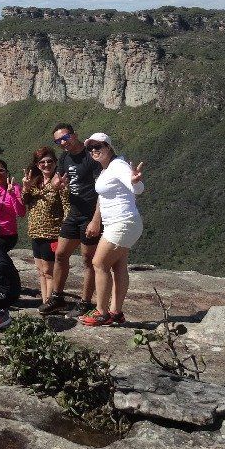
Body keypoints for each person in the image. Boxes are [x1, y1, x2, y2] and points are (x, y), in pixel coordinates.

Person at [78, 134, 145, 327]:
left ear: (108, 147)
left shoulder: (118, 166)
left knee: (99, 263)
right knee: (118, 266)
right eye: (90, 148)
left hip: (122, 223)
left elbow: (137, 187)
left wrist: (136, 181)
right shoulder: (106, 169)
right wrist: (96, 220)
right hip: (120, 223)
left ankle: (101, 312)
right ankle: (116, 312)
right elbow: (103, 197)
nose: (94, 150)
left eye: (98, 146)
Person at [42, 123, 102, 315]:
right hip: (74, 213)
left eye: (66, 137)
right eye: (58, 141)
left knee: (88, 260)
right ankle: (57, 298)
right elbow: (56, 179)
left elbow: (102, 191)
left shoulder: (91, 157)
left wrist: (96, 220)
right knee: (60, 255)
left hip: (90, 215)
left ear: (75, 135)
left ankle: (85, 303)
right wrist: (56, 183)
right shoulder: (65, 157)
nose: (63, 143)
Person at [22, 147, 71, 310]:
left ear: (55, 163)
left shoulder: (59, 181)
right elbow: (25, 202)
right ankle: (45, 302)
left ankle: (51, 303)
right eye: (42, 162)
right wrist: (25, 188)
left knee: (49, 271)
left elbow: (67, 207)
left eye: (50, 161)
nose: (46, 164)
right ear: (37, 165)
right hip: (35, 232)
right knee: (41, 271)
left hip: (52, 233)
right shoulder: (35, 182)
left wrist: (65, 230)